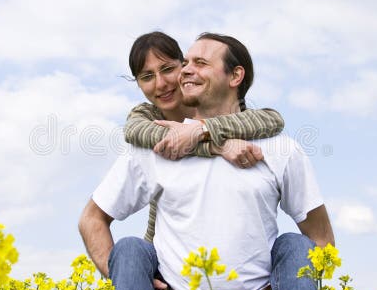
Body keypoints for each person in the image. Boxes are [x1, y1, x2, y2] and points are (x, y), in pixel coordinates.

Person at [78, 33, 334, 290]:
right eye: (186, 63)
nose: (184, 72)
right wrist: (128, 286)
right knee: (129, 250)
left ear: (235, 76)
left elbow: (323, 243)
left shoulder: (280, 148)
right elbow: (91, 219)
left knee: (296, 245)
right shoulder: (158, 142)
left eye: (198, 63)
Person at [121, 31, 286, 244]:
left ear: (184, 67)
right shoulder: (147, 115)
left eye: (168, 69)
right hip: (165, 250)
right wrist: (216, 147)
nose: (161, 84)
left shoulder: (219, 110)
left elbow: (272, 120)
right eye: (147, 77)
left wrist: (200, 129)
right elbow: (135, 130)